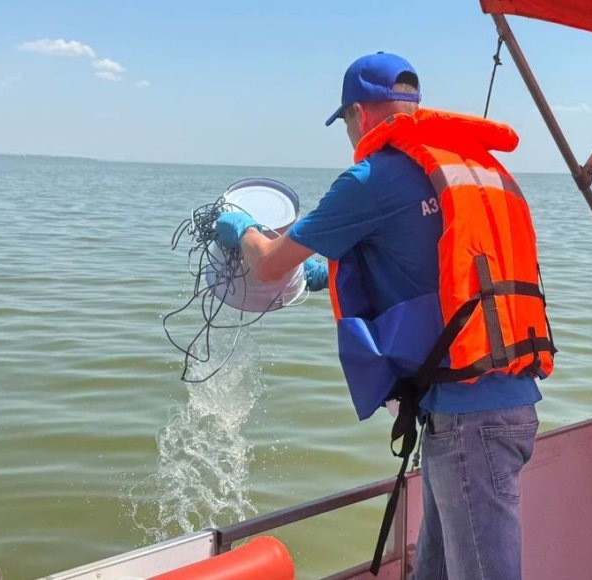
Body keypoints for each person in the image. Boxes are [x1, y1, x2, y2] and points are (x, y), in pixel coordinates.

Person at [215, 52, 553, 580]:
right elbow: (443, 273)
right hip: (503, 403)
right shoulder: (470, 168)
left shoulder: (372, 177)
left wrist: (240, 229)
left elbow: (268, 266)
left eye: (347, 122)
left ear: (360, 114)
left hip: (468, 422)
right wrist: (329, 278)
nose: (350, 134)